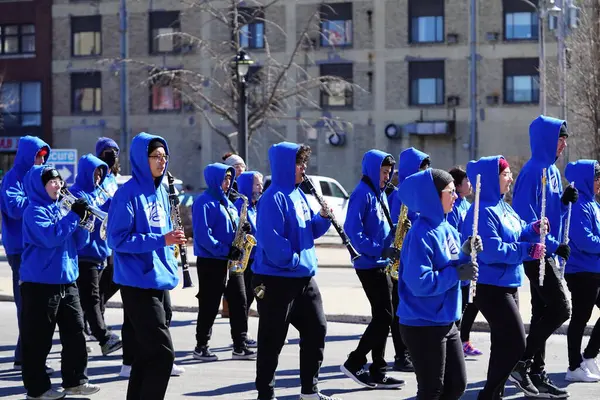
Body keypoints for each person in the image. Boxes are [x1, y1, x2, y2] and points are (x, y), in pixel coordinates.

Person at [252, 142, 340, 400]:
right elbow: (274, 244)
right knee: (272, 339)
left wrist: (323, 217)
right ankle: (265, 394)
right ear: (285, 165)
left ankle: (309, 391)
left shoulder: (299, 194)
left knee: (317, 329)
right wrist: (297, 260)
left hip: (303, 278)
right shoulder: (273, 197)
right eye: (299, 163)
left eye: (304, 163)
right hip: (276, 280)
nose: (304, 168)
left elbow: (309, 232)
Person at [106, 132, 187, 399]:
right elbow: (117, 239)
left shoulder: (163, 191)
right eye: (155, 156)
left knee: (143, 356)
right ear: (143, 158)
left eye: (164, 156)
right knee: (163, 355)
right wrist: (161, 239)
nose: (161, 161)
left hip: (160, 279)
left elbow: (163, 236)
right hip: (137, 282)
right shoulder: (126, 194)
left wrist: (171, 245)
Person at [462, 156, 546, 399]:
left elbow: (518, 229)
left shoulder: (503, 205)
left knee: (501, 343)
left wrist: (533, 228)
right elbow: (492, 251)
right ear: (491, 178)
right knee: (517, 344)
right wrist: (525, 250)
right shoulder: (482, 212)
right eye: (506, 174)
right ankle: (488, 393)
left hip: (509, 282)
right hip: (490, 286)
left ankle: (493, 393)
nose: (510, 178)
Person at [397, 168, 481, 400]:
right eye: (450, 192)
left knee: (456, 385)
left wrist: (466, 253)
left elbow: (454, 264)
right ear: (434, 196)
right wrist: (457, 274)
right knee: (431, 390)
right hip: (421, 324)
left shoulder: (447, 229)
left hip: (445, 320)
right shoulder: (419, 234)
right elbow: (420, 283)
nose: (456, 196)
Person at [20, 165, 100, 399]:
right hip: (40, 284)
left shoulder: (62, 209)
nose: (58, 185)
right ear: (40, 186)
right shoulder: (34, 211)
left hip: (67, 280)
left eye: (59, 181)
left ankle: (75, 380)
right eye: (52, 182)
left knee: (76, 333)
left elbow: (79, 243)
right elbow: (51, 237)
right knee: (38, 339)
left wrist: (84, 221)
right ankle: (37, 389)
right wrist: (74, 215)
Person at [510, 116, 575, 398]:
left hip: (549, 250)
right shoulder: (532, 170)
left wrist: (563, 203)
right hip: (536, 253)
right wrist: (549, 247)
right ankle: (522, 362)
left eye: (565, 139)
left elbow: (551, 216)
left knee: (542, 311)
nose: (563, 144)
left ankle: (537, 372)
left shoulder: (551, 170)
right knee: (562, 308)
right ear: (547, 139)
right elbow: (526, 220)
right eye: (560, 138)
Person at [340, 149, 405, 389]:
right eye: (384, 172)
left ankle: (378, 369)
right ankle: (355, 361)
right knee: (384, 316)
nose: (387, 178)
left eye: (389, 173)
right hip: (369, 264)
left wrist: (398, 227)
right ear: (371, 170)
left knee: (383, 317)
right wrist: (380, 250)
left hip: (381, 262)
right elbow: (353, 231)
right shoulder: (362, 194)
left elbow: (379, 226)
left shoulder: (379, 194)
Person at [191, 163, 256, 361]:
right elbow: (203, 236)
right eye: (224, 178)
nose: (228, 182)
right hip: (212, 261)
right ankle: (201, 345)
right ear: (213, 179)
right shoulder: (203, 202)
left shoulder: (228, 203)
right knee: (210, 304)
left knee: (239, 301)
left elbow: (232, 229)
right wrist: (225, 250)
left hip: (232, 260)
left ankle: (240, 344)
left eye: (229, 178)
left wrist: (243, 229)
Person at [0, 135, 52, 373]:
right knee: (27, 304)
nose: (41, 161)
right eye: (38, 156)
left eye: (44, 156)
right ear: (27, 156)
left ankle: (24, 355)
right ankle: (29, 358)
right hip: (19, 248)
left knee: (33, 304)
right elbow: (13, 208)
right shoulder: (12, 178)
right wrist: (40, 200)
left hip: (34, 246)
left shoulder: (38, 178)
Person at [70, 154, 122, 356]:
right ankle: (103, 336)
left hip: (102, 251)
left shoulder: (99, 192)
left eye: (101, 174)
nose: (98, 178)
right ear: (86, 173)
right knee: (91, 296)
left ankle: (89, 326)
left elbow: (109, 213)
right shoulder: (76, 193)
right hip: (85, 253)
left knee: (97, 294)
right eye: (95, 174)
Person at [388, 146, 430, 372]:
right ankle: (401, 355)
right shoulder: (399, 194)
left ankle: (413, 351)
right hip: (402, 259)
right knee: (400, 309)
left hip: (418, 256)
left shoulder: (421, 193)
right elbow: (395, 225)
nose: (426, 172)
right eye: (422, 168)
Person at [563, 160, 600, 382]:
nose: (599, 183)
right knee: (580, 317)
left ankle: (588, 356)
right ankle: (574, 366)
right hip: (581, 271)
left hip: (594, 269)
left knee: (581, 316)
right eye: (596, 178)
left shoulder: (593, 204)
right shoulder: (577, 205)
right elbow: (585, 240)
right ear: (586, 179)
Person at [447, 166, 483, 357]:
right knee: (459, 305)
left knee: (472, 302)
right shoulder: (452, 208)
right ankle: (454, 342)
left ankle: (464, 340)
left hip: (470, 261)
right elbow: (454, 236)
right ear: (458, 186)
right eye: (466, 181)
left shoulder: (468, 205)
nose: (469, 184)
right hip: (460, 261)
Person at [234, 170, 264, 343]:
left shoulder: (256, 206)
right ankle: (241, 336)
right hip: (244, 262)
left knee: (256, 299)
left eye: (260, 183)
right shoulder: (240, 205)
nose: (260, 187)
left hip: (257, 260)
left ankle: (245, 335)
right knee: (244, 301)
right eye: (257, 183)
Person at [95, 137, 121, 314]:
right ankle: (94, 314)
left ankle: (96, 310)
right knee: (97, 282)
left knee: (114, 277)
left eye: (115, 152)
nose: (112, 155)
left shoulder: (112, 179)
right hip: (97, 237)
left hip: (111, 236)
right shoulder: (96, 175)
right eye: (107, 152)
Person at [221, 152, 247, 317]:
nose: (241, 170)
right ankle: (226, 307)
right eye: (237, 167)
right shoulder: (228, 190)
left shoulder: (243, 187)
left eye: (242, 166)